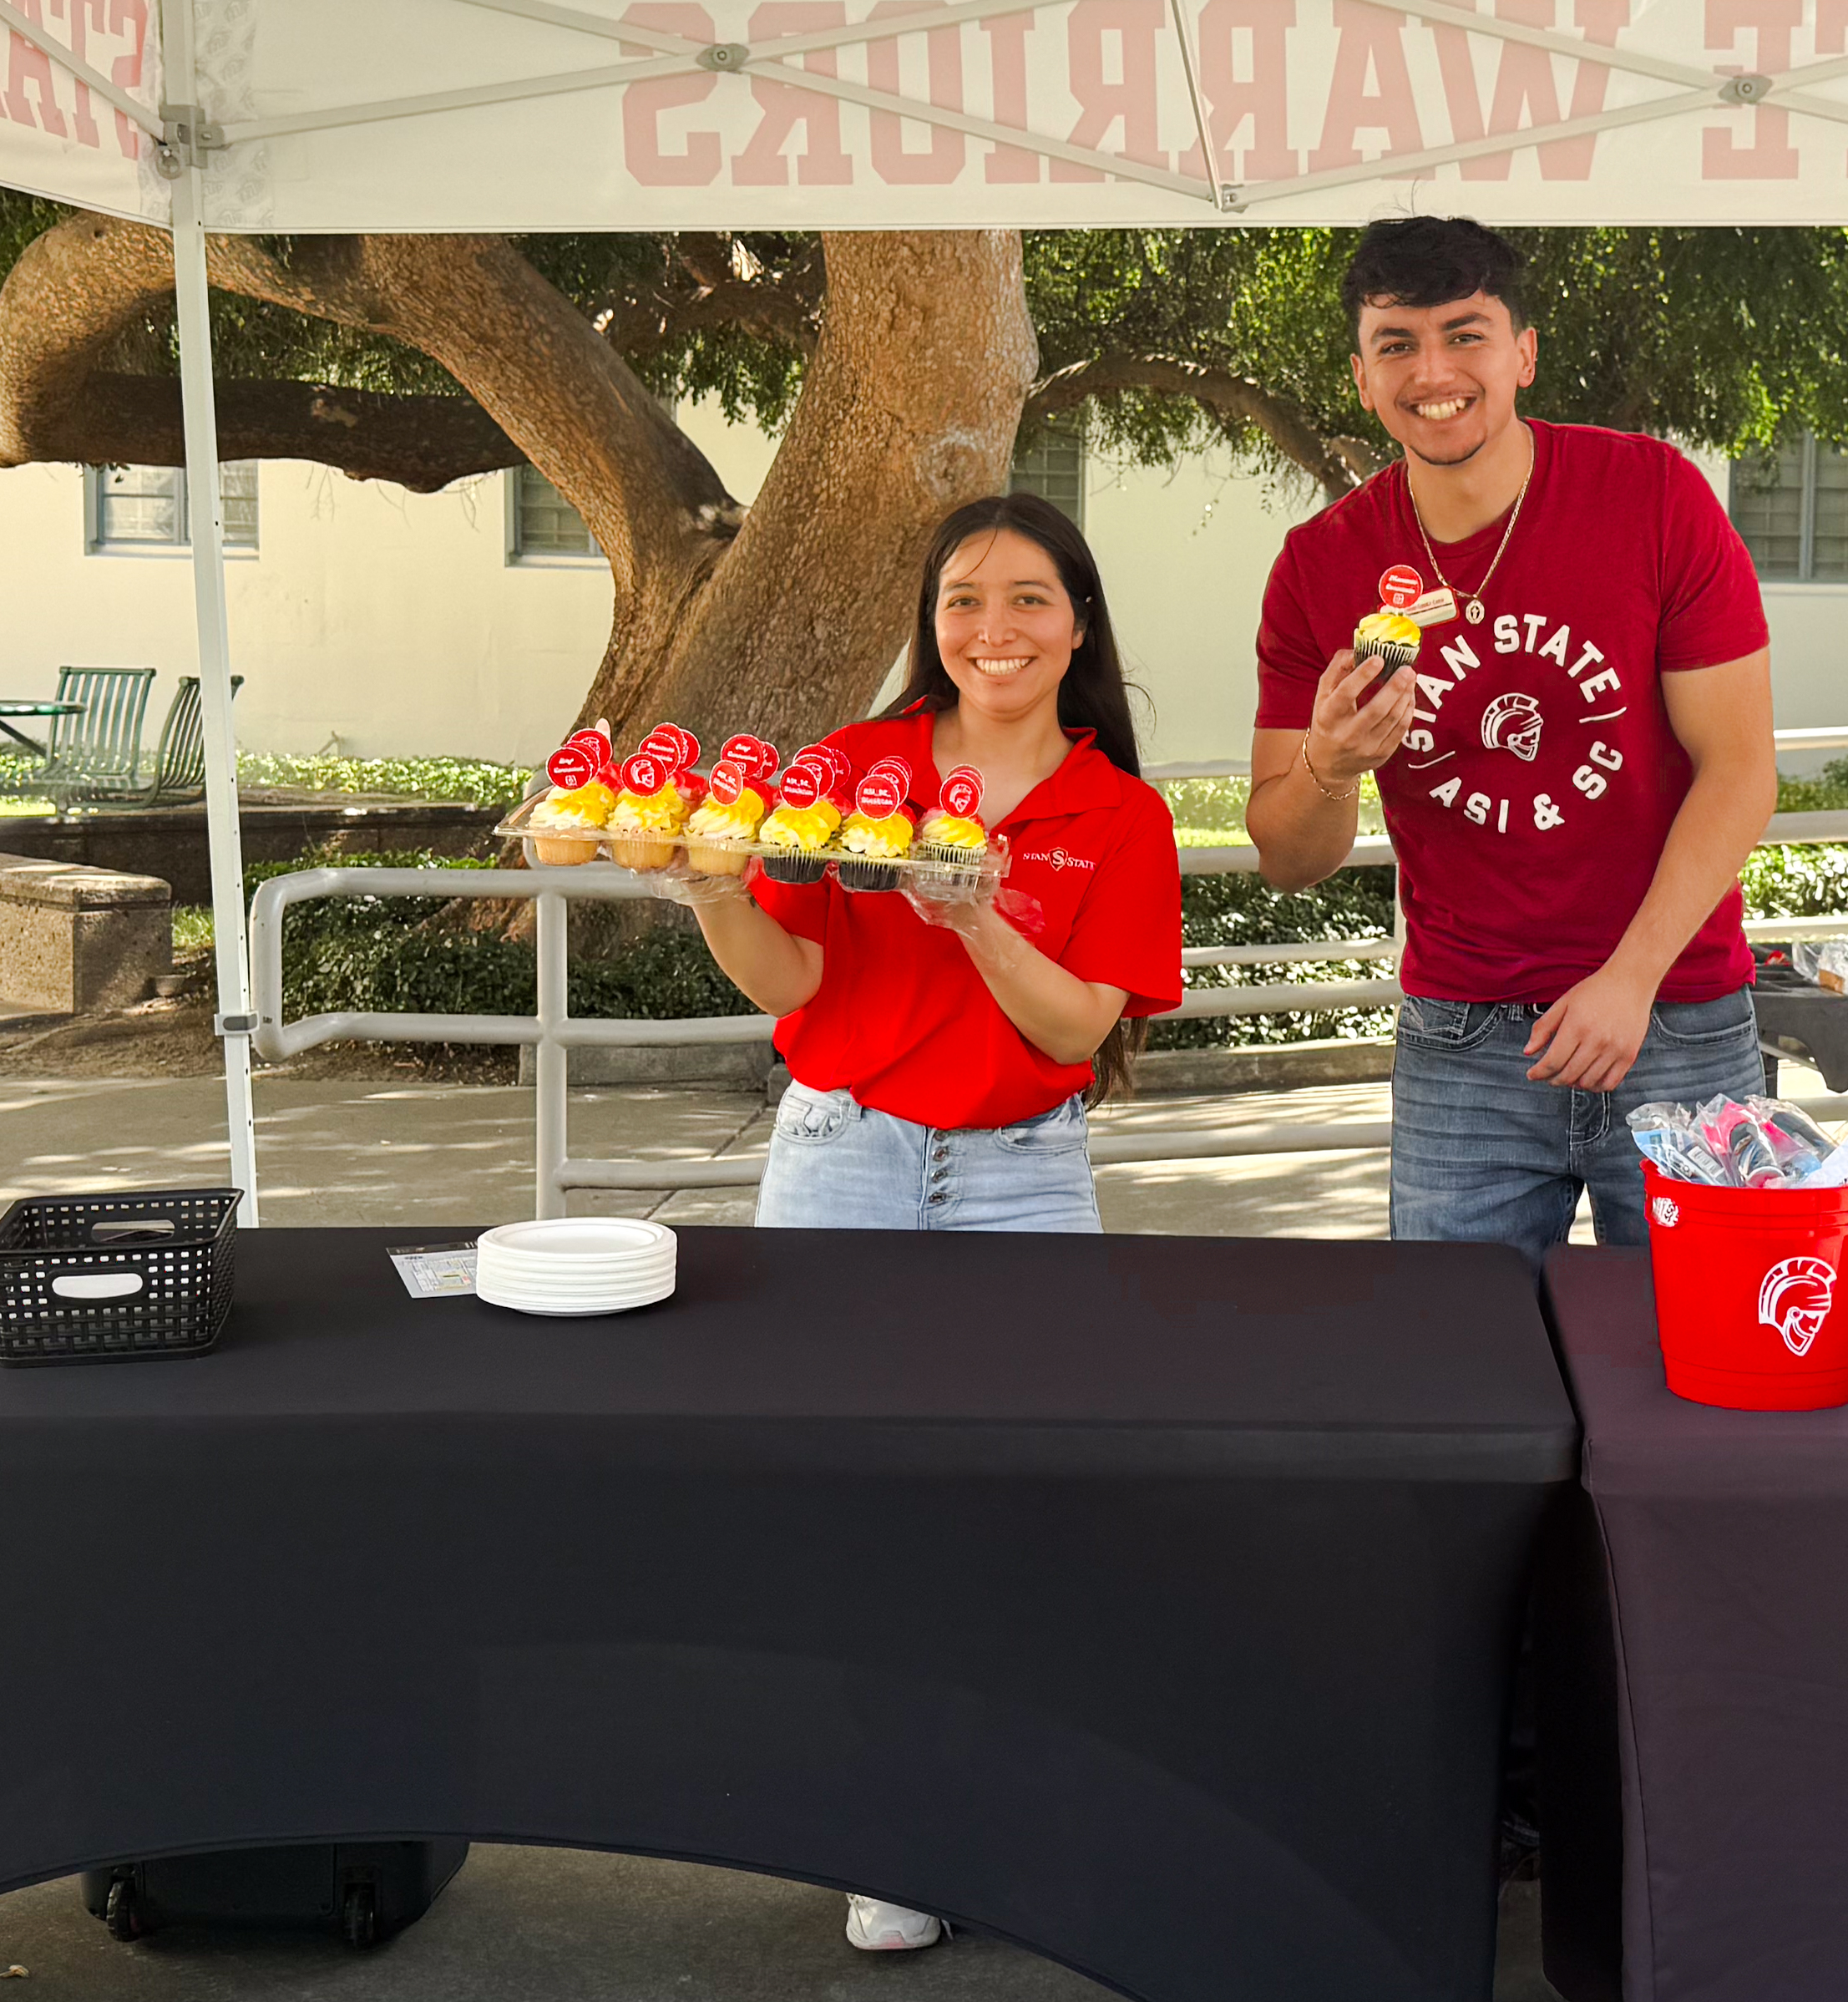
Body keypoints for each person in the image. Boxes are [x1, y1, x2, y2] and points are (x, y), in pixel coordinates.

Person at [661, 491, 1185, 1951]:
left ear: (1076, 623)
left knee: (1019, 1496)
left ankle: (1013, 1807)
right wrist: (711, 885)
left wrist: (971, 912)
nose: (992, 627)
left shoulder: (1117, 812)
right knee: (848, 1498)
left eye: (1027, 598)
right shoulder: (850, 770)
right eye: (962, 598)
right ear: (929, 622)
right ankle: (888, 1831)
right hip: (840, 1158)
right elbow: (783, 981)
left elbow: (1077, 1028)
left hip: (1022, 1168)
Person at [1247, 217, 1777, 1265]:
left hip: (1674, 1012)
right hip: (1462, 1040)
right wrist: (1331, 764)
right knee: (1456, 1379)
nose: (1432, 371)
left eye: (1465, 333)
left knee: (1708, 1375)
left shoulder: (1653, 497)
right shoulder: (1319, 566)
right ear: (1361, 375)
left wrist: (1629, 979)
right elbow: (1285, 854)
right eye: (1396, 343)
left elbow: (1740, 768)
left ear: (1523, 353)